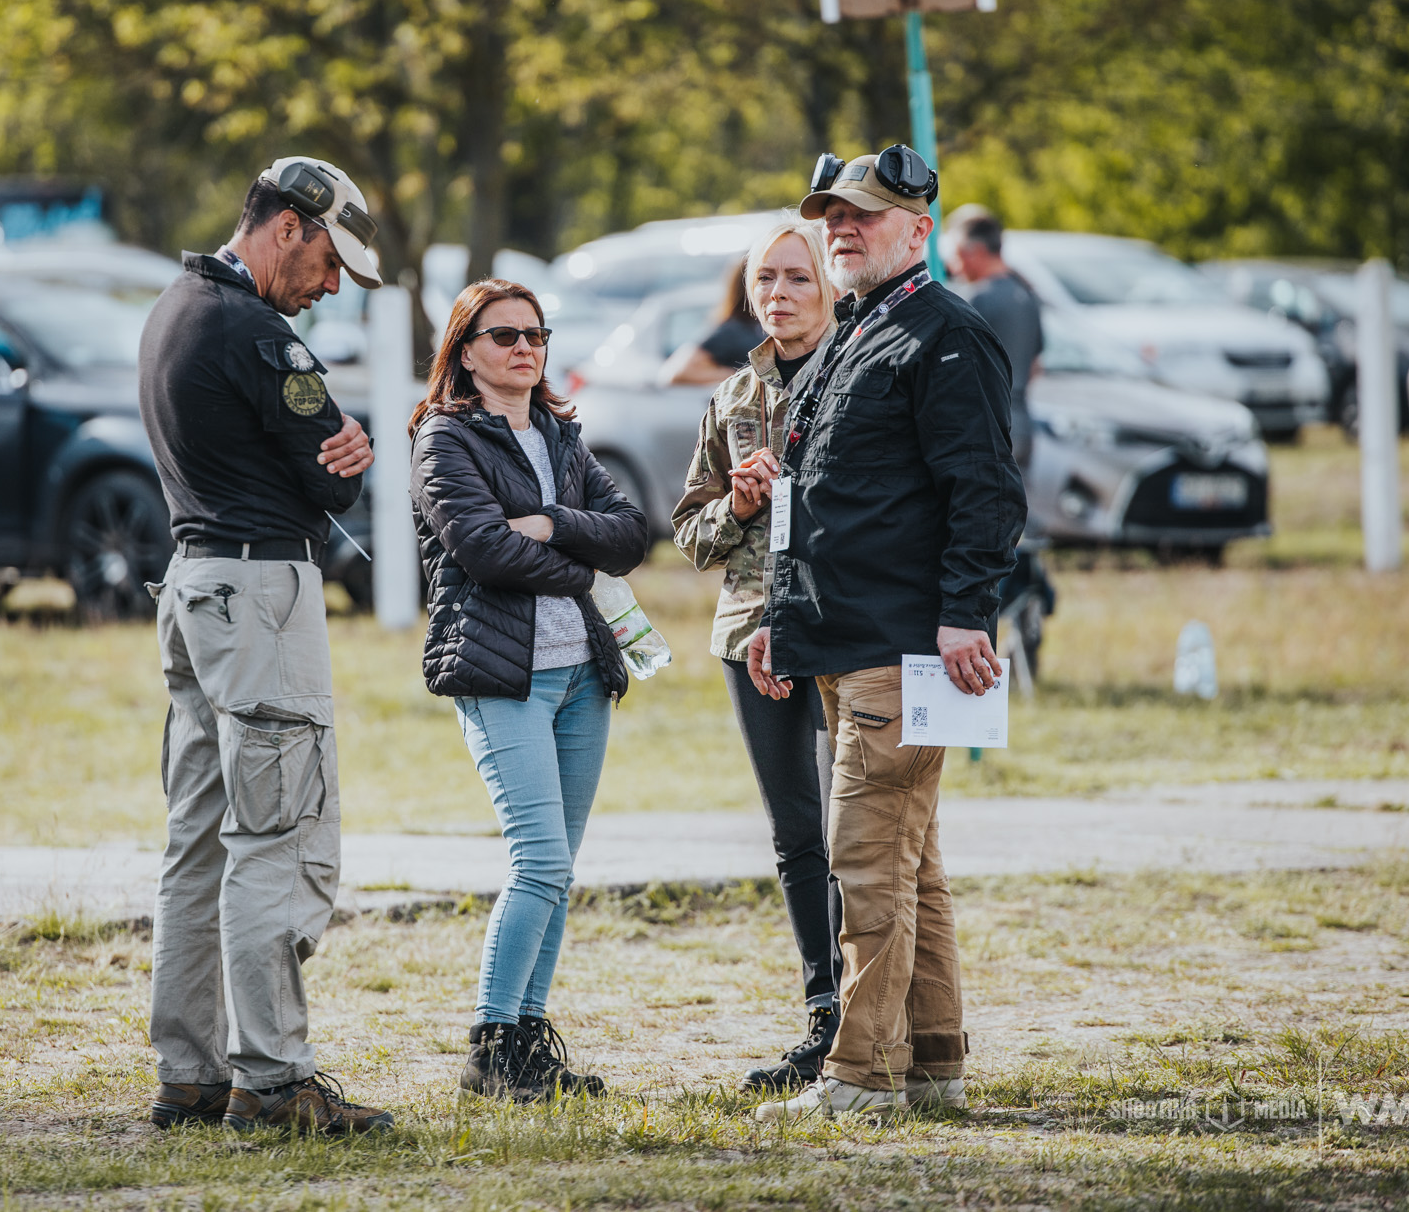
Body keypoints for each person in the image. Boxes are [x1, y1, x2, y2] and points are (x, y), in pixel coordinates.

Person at [745, 146, 1025, 1121]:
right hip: (844, 640)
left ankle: (861, 1077)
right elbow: (819, 499)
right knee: (912, 867)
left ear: (918, 229)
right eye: (832, 215)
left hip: (901, 650)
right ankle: (933, 1063)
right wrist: (779, 617)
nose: (840, 229)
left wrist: (963, 615)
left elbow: (985, 491)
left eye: (861, 214)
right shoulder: (861, 328)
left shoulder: (945, 334)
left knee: (865, 866)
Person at [136, 155, 393, 1136]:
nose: (330, 287)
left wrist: (328, 456)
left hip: (195, 585)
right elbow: (333, 480)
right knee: (276, 834)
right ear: (289, 225)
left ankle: (190, 1072)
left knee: (198, 837)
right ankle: (275, 1079)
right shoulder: (256, 332)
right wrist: (346, 453)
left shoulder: (173, 309)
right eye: (329, 263)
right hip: (257, 596)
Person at [408, 279, 648, 1102]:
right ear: (465, 350)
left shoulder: (560, 434)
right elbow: (482, 550)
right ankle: (488, 1048)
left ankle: (526, 1040)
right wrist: (582, 562)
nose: (524, 348)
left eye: (535, 335)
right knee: (537, 860)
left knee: (558, 870)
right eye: (504, 334)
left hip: (583, 675)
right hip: (502, 674)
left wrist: (551, 524)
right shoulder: (444, 439)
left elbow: (632, 534)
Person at [670, 218, 846, 1092]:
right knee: (796, 834)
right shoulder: (735, 397)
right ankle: (824, 1019)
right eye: (764, 280)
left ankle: (875, 1020)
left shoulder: (858, 375)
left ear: (831, 287)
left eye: (797, 277)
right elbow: (689, 536)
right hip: (749, 639)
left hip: (843, 634)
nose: (778, 293)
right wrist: (737, 507)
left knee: (860, 833)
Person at [944, 204, 1043, 472]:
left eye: (956, 255)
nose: (952, 266)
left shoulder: (974, 301)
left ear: (975, 251)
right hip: (1021, 427)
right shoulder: (1026, 294)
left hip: (985, 433)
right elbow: (1035, 367)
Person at [661, 262, 765, 385]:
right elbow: (677, 372)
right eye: (765, 278)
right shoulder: (733, 330)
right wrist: (738, 376)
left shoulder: (761, 328)